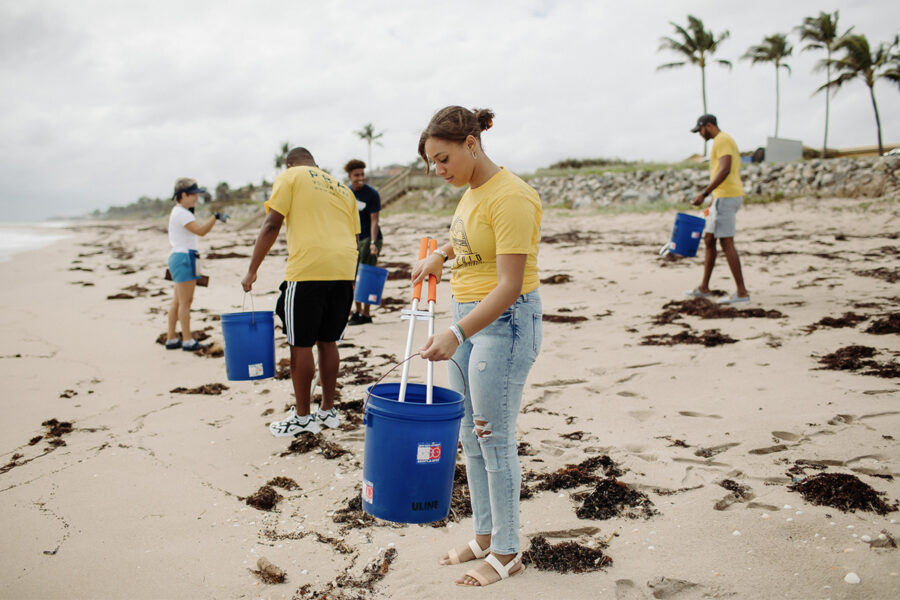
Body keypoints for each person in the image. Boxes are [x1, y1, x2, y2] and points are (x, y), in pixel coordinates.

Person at [412, 106, 542, 587]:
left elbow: (509, 284)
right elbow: (465, 241)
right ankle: (486, 536)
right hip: (467, 319)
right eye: (432, 163)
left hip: (502, 325)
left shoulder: (512, 196)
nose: (438, 170)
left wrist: (457, 333)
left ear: (471, 143)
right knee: (469, 434)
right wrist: (440, 256)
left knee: (494, 436)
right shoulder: (472, 192)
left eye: (443, 159)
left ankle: (508, 552)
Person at [242, 147, 360, 436]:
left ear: (290, 162)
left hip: (308, 269)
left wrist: (252, 269)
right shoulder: (343, 188)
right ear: (315, 165)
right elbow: (356, 235)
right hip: (344, 269)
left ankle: (303, 417)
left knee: (300, 343)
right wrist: (351, 276)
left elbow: (272, 223)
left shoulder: (290, 176)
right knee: (328, 341)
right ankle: (329, 411)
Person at [687, 114, 750, 304]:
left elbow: (725, 169)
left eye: (700, 130)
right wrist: (712, 199)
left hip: (727, 197)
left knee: (726, 242)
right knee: (709, 239)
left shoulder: (722, 140)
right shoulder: (721, 141)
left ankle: (741, 293)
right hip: (721, 198)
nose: (700, 134)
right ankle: (704, 287)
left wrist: (704, 193)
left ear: (708, 125)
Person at [165, 177, 223, 351]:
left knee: (177, 301)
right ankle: (187, 340)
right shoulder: (182, 212)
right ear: (183, 195)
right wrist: (215, 218)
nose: (196, 198)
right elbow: (201, 231)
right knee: (185, 302)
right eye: (193, 195)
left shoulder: (180, 211)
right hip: (184, 258)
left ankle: (172, 338)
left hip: (180, 257)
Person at [345, 159, 382, 325]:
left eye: (362, 174)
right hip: (353, 240)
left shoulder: (372, 194)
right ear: (350, 176)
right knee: (353, 277)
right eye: (356, 175)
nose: (360, 177)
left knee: (366, 276)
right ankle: (357, 311)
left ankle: (366, 314)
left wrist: (374, 242)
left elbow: (375, 221)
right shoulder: (347, 193)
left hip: (369, 238)